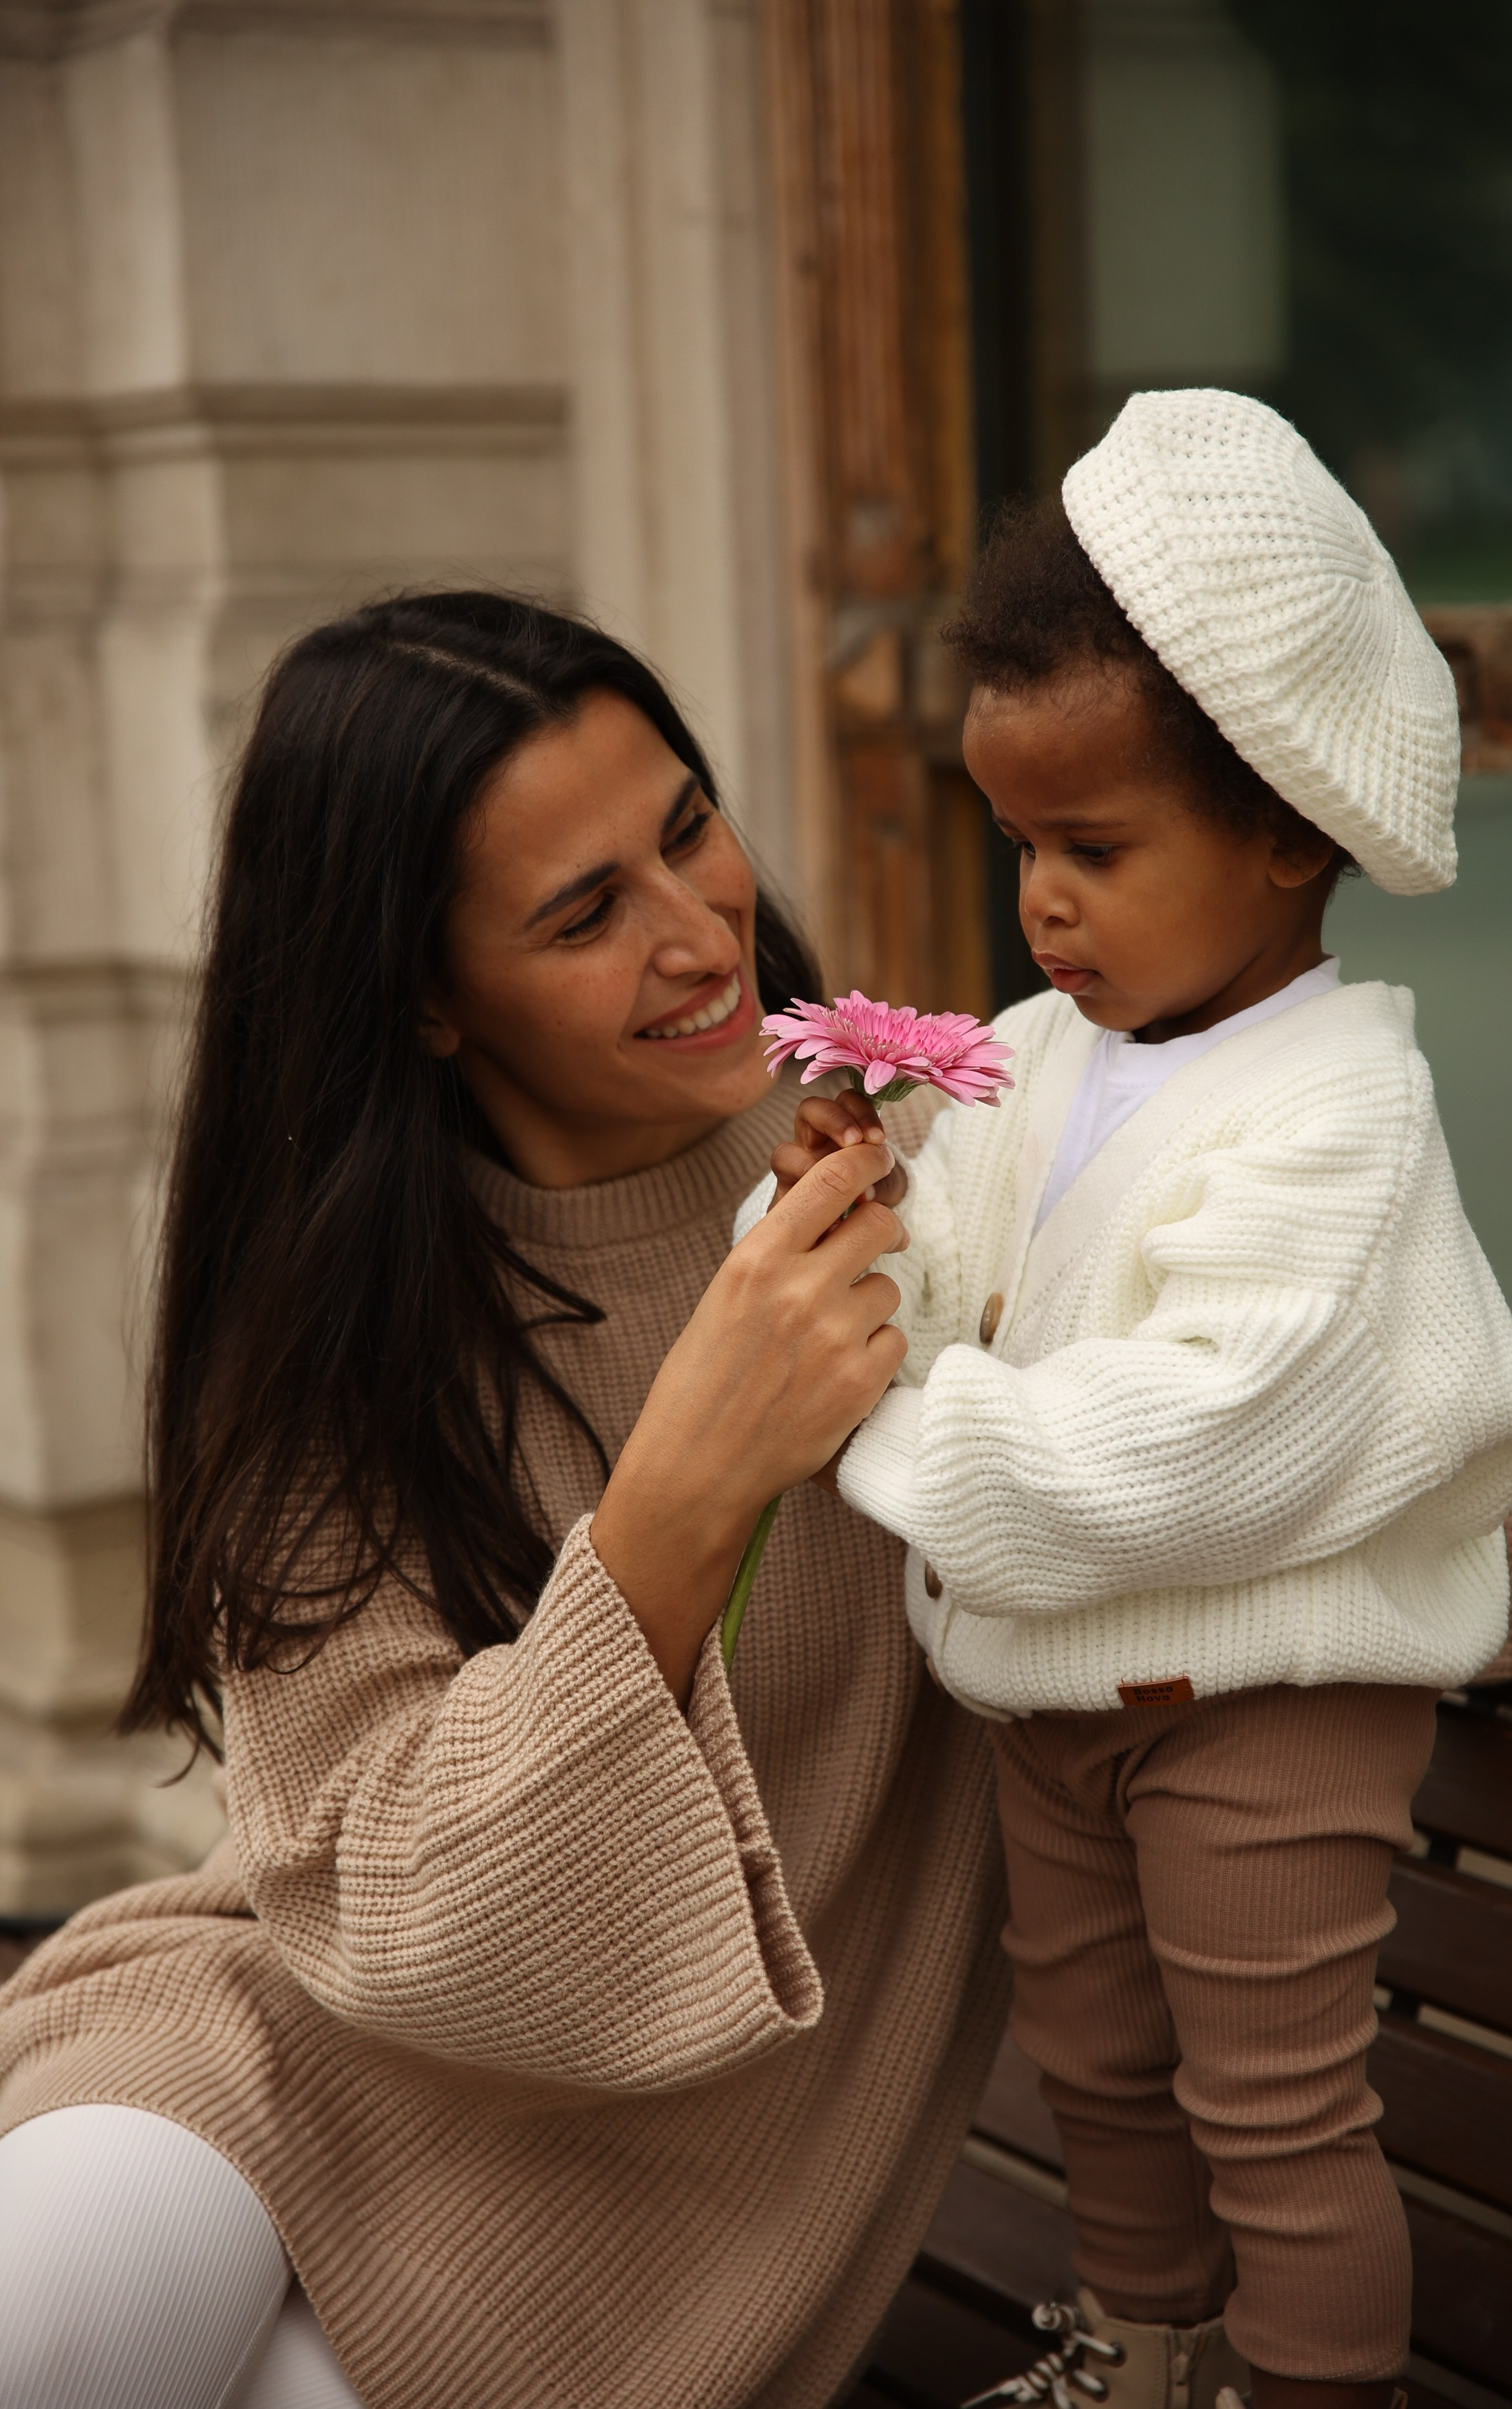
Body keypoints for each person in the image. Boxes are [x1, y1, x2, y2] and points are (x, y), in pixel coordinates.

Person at [0, 594, 1008, 2409]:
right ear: (425, 997)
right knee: (61, 2315)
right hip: (283, 2045)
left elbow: (1339, 1438)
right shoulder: (342, 1320)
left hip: (670, 2187)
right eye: (584, 910)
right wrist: (684, 1490)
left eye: (688, 827)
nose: (700, 931)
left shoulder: (937, 1184)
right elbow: (396, 1916)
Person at [759, 392, 1512, 2409]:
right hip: (1061, 1692)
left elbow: (1191, 1446)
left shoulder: (1338, 1116)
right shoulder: (1044, 1049)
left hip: (1265, 1699)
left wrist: (864, 1413)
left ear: (1287, 824)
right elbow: (932, 1272)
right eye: (1021, 844)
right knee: (1103, 2071)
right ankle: (1140, 2354)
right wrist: (851, 1215)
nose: (1042, 900)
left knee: (1276, 2119)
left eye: (1096, 850)